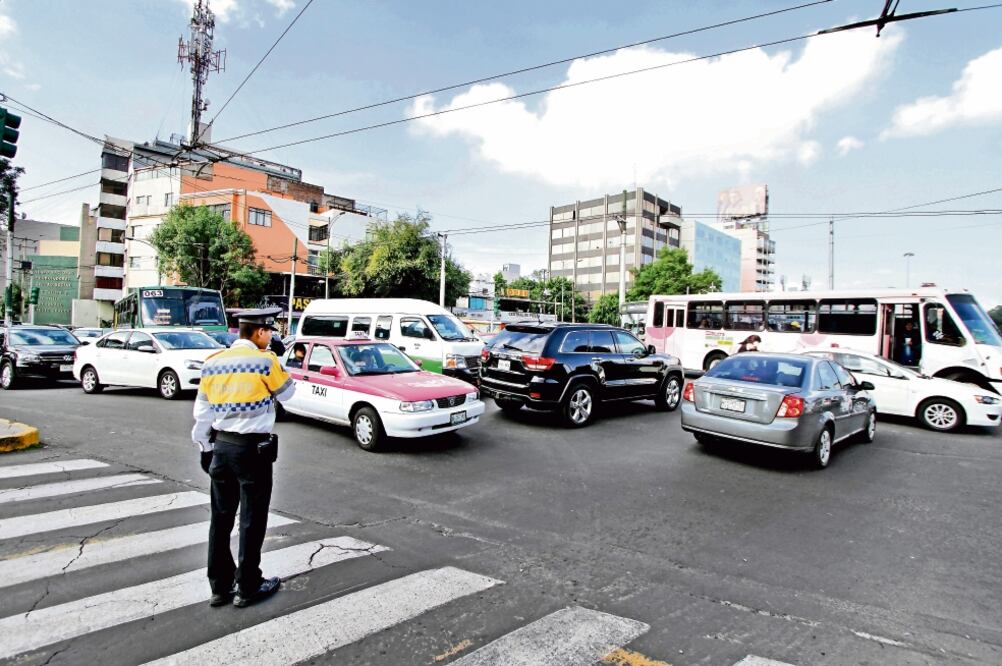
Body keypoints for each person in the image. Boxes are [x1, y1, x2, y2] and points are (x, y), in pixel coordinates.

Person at [191, 307, 296, 609]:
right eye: (270, 332)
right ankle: (248, 585)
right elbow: (288, 394)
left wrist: (204, 448)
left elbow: (202, 414)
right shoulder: (265, 361)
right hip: (252, 451)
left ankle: (219, 587)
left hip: (220, 447)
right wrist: (277, 361)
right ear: (260, 332)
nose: (272, 337)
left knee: (220, 520)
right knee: (251, 519)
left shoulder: (212, 363)